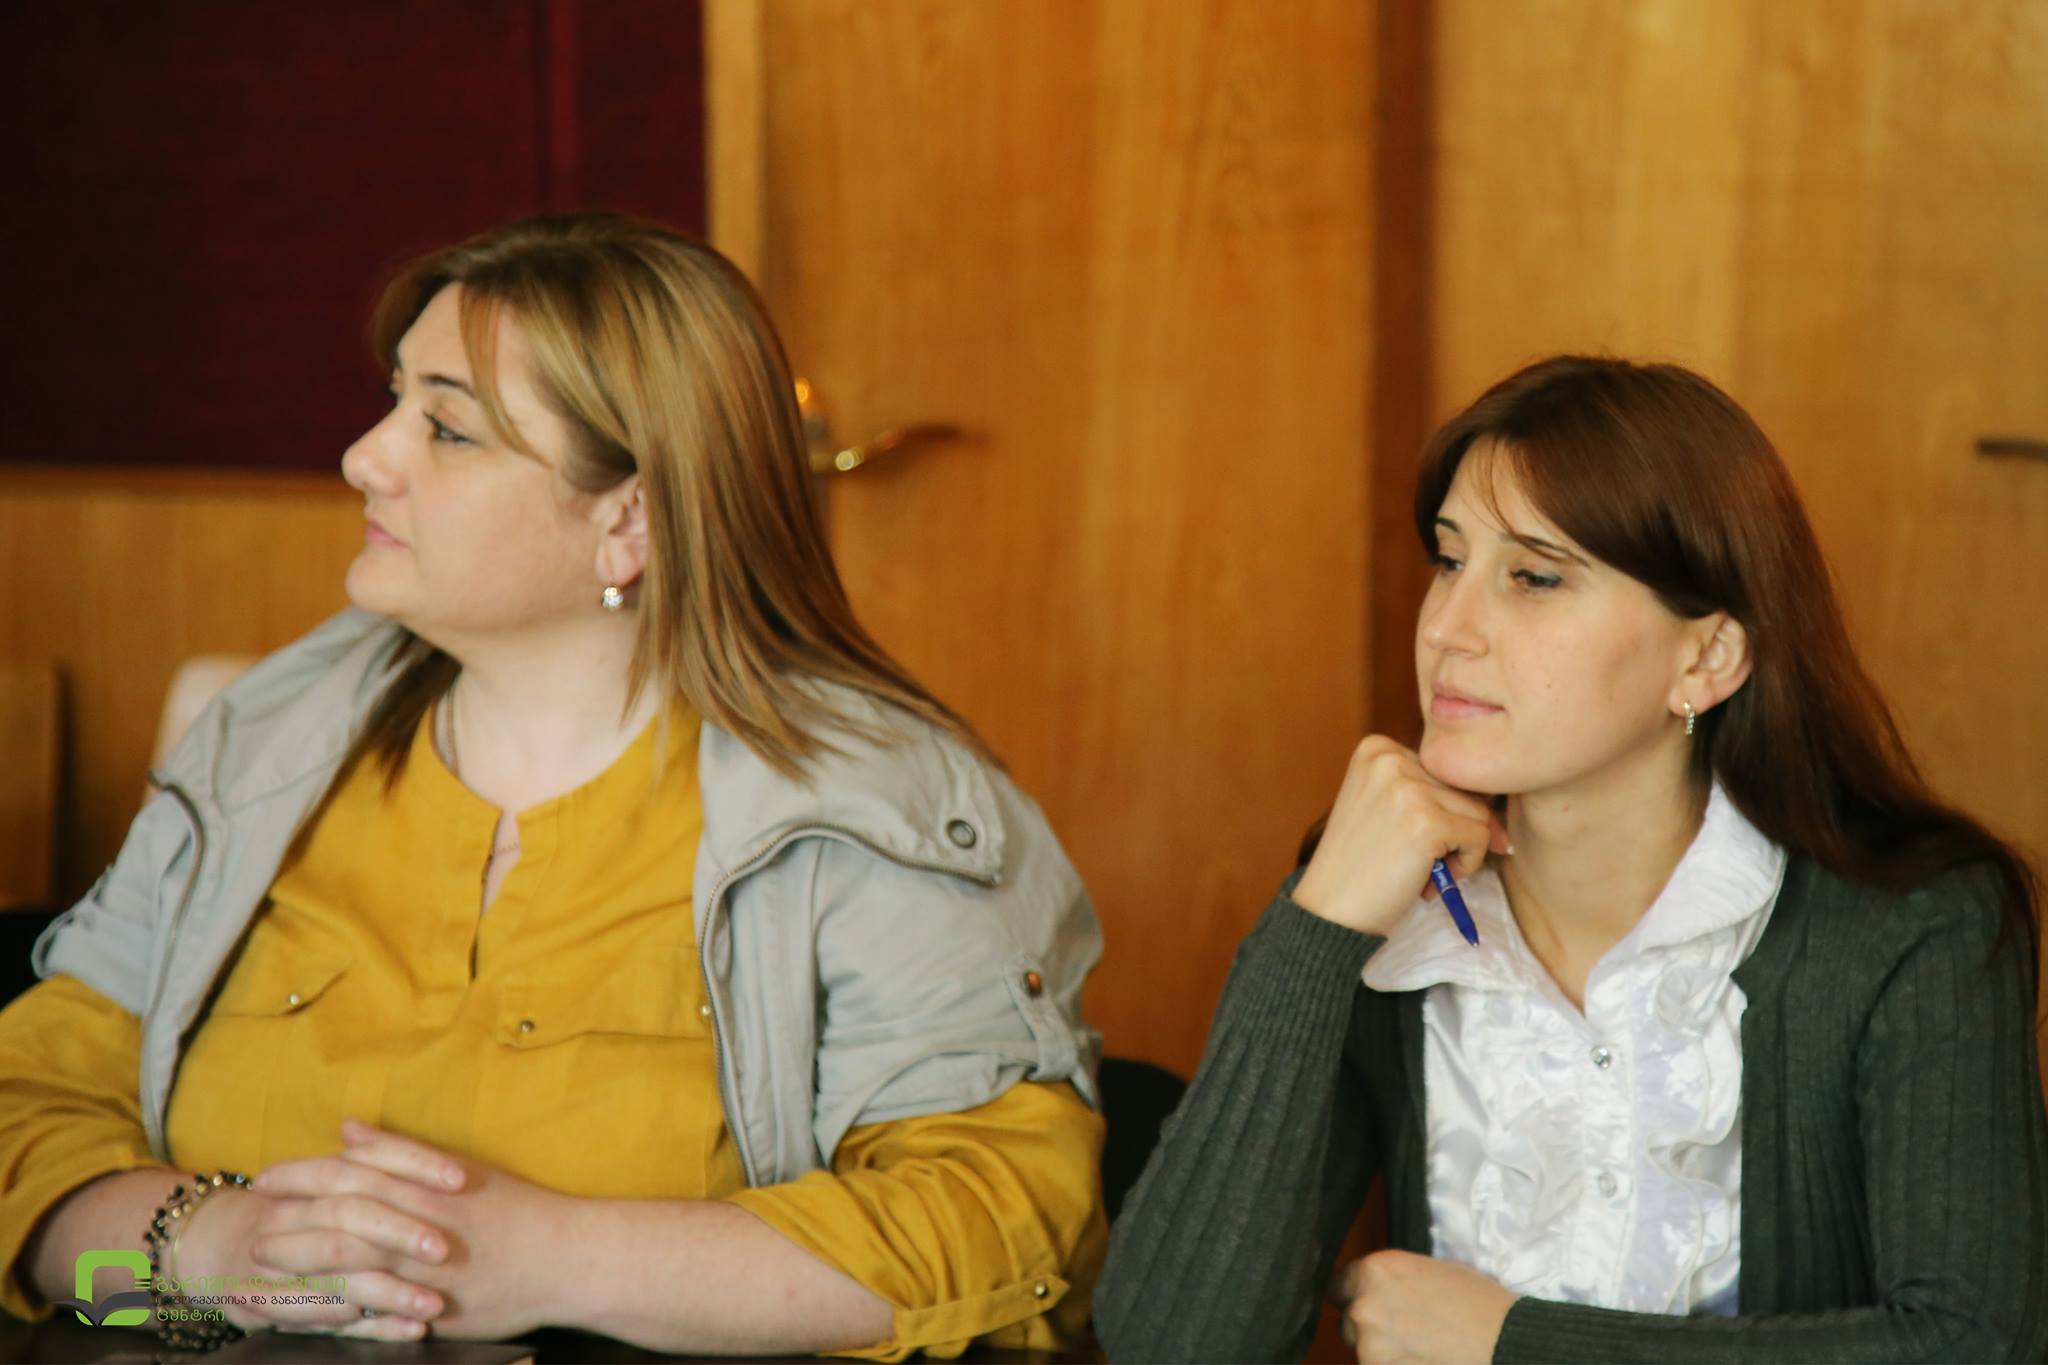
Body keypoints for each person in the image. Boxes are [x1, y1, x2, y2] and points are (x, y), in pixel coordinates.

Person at [0, 213, 1106, 1359]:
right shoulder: (269, 740)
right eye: (393, 400)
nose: (364, 457)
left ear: (628, 521)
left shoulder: (866, 811)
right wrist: (203, 1259)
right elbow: (25, 1141)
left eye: (447, 428)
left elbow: (1007, 1236)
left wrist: (555, 1260)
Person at [1096, 355, 2047, 1363]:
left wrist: (1513, 1344)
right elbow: (1171, 1346)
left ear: (1706, 658)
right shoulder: (1381, 899)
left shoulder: (1914, 924)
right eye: (1448, 560)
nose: (1445, 628)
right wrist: (1315, 929)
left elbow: (1976, 1344)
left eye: (1534, 578)